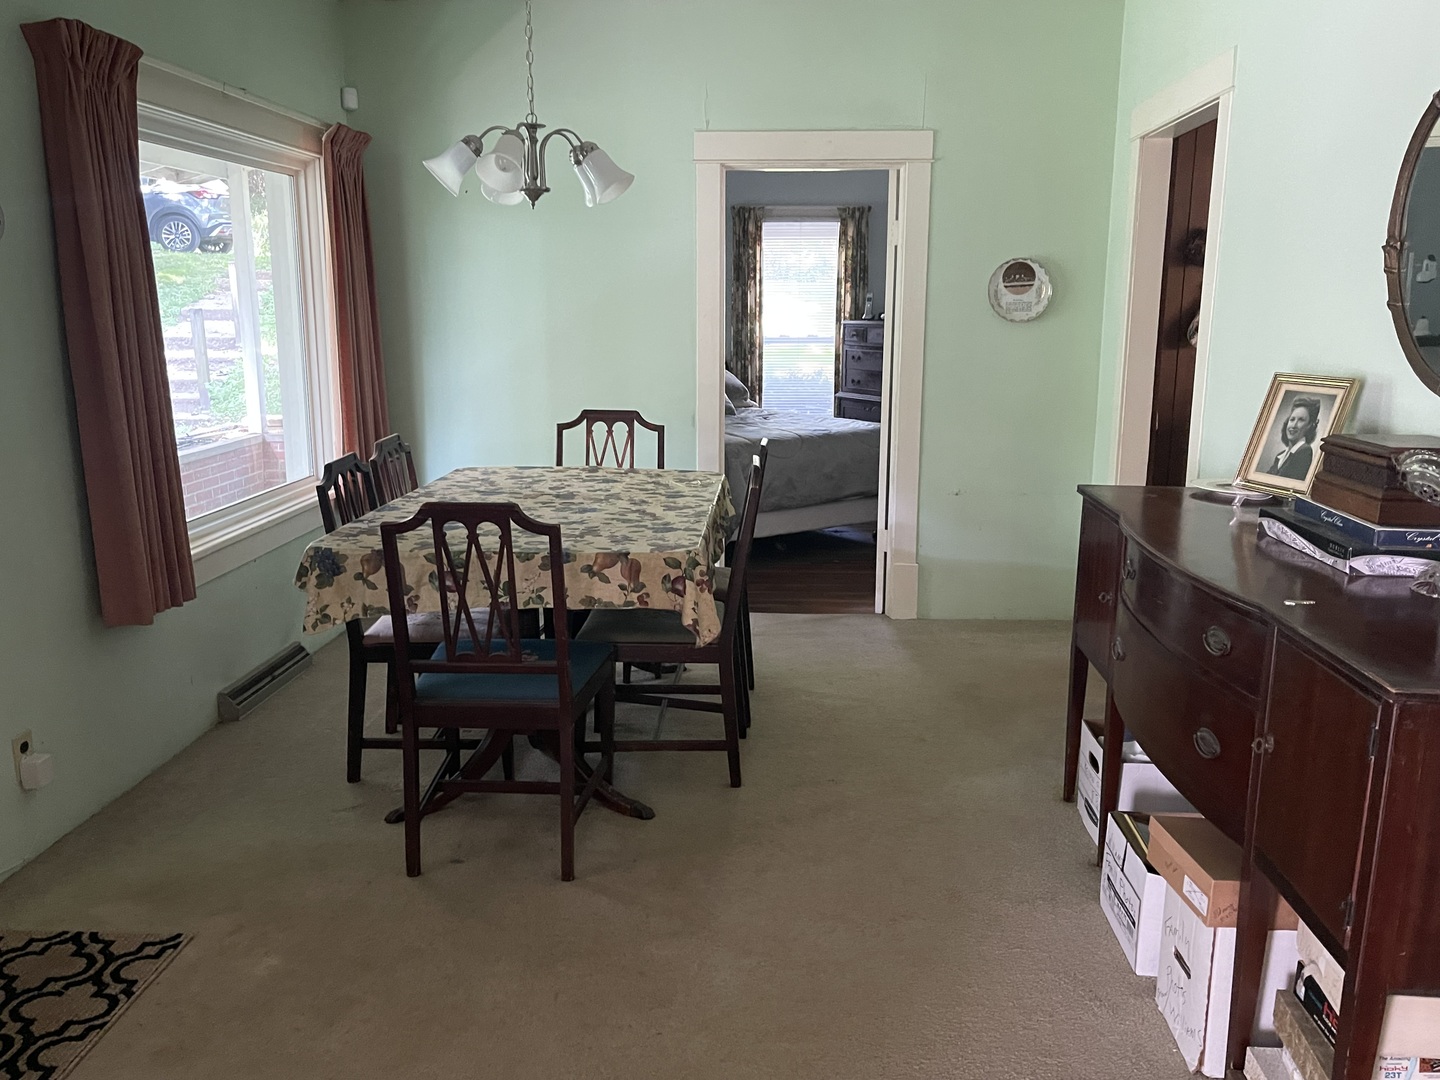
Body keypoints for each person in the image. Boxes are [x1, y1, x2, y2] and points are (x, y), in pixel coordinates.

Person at [1263, 396, 1323, 480]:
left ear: (1309, 425)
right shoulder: (1281, 455)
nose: (1294, 425)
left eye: (1301, 420)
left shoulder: (1304, 451)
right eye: (1292, 419)